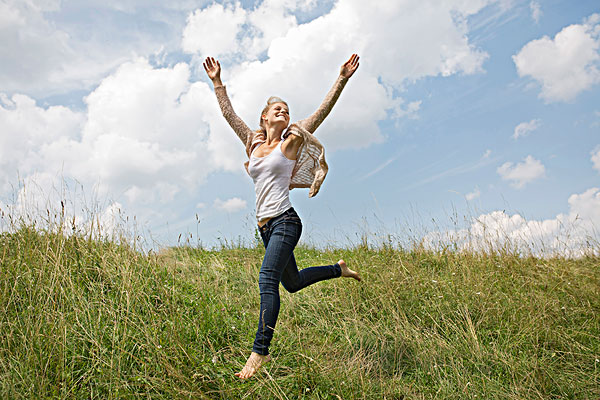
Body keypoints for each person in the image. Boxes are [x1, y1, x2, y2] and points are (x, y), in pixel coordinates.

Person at [204, 54, 362, 379]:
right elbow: (228, 114)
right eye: (278, 109)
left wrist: (342, 78)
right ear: (264, 117)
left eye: (287, 110)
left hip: (286, 221)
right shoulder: (253, 142)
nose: (284, 112)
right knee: (291, 283)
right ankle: (338, 269)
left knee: (267, 279)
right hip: (264, 227)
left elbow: (322, 111)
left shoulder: (292, 140)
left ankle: (258, 353)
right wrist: (218, 82)